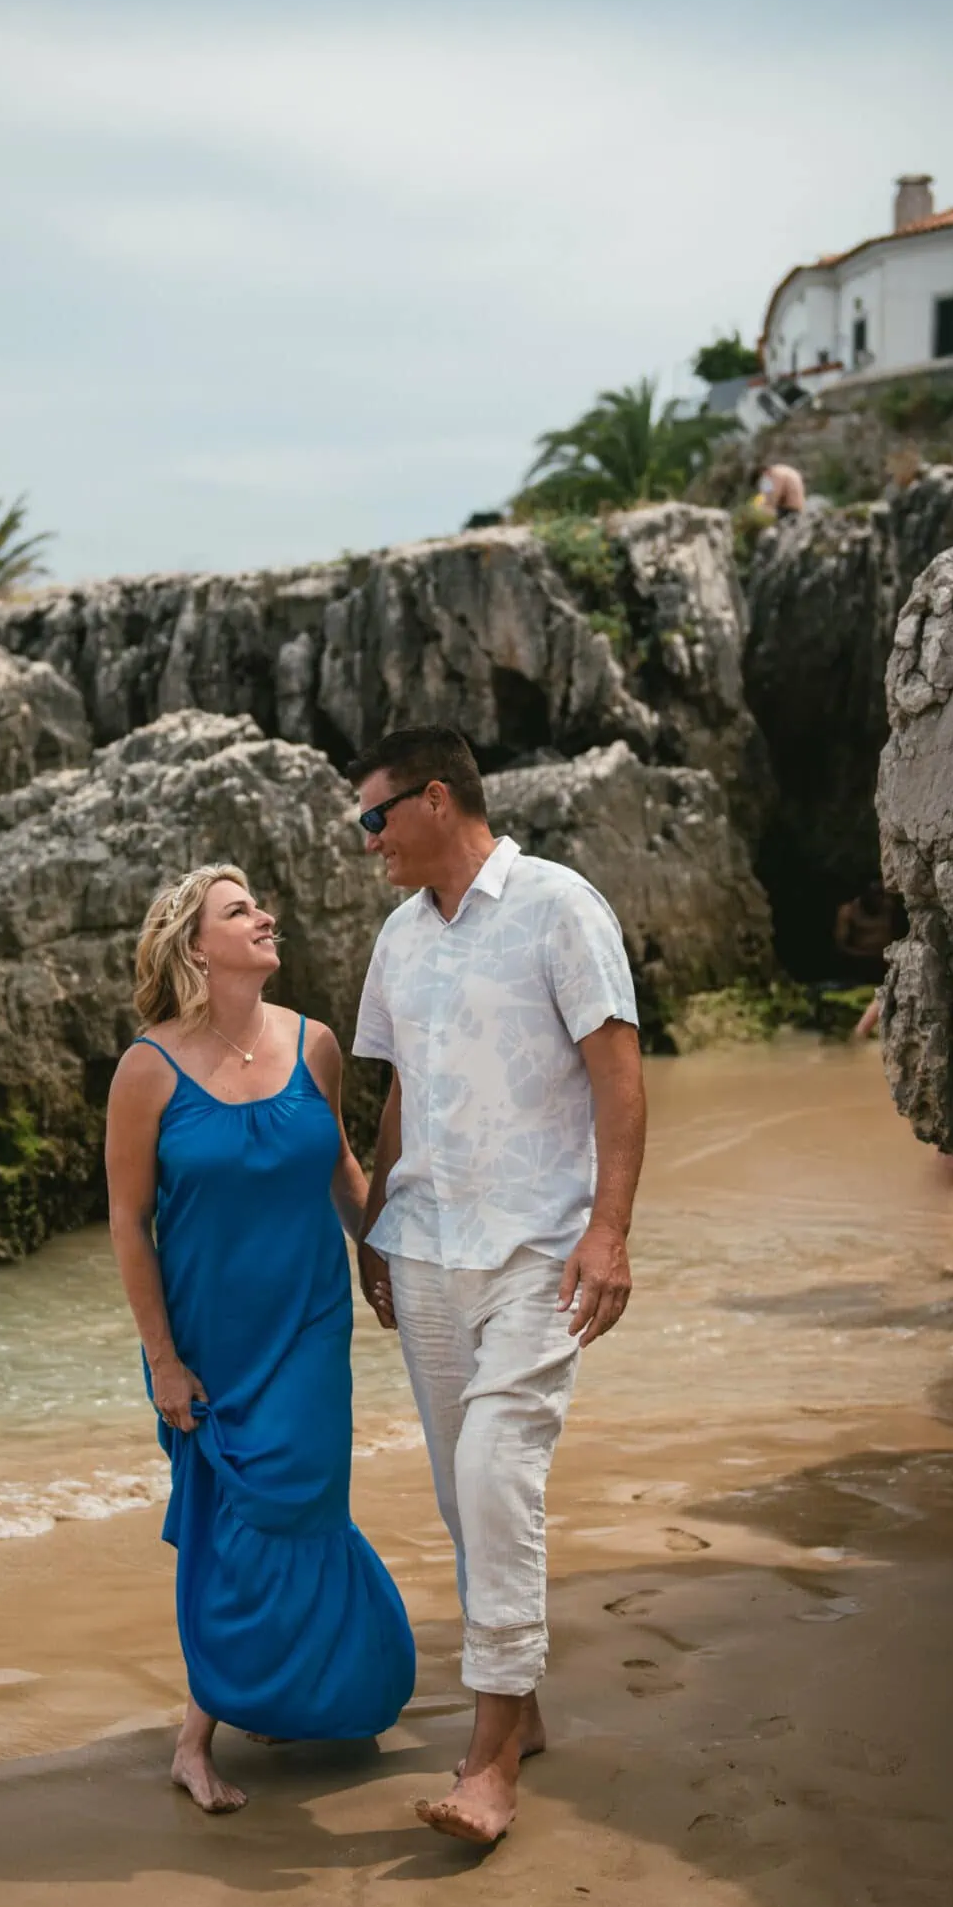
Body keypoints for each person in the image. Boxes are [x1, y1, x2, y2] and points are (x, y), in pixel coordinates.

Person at [349, 727, 647, 1847]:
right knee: (457, 1492)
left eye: (374, 816)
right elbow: (401, 1094)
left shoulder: (560, 906)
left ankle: (487, 1762)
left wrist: (609, 1231)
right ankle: (519, 1704)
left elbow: (618, 1075)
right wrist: (375, 1226)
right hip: (426, 1246)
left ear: (436, 799)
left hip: (538, 1245)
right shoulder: (396, 937)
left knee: (493, 1470)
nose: (366, 840)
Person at [105, 864, 416, 1814]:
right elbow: (128, 1223)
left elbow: (344, 1171)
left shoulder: (314, 1043)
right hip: (209, 1340)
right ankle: (197, 1740)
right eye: (239, 910)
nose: (264, 916)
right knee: (231, 1523)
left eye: (258, 905)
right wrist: (163, 1358)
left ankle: (289, 1694)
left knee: (296, 1506)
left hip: (310, 1326)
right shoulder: (147, 1069)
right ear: (196, 949)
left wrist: (382, 1261)